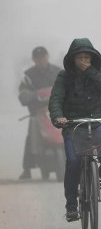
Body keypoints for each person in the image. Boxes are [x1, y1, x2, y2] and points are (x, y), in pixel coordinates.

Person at [48, 38, 101, 222]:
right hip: (72, 125)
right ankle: (71, 205)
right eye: (80, 58)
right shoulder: (64, 76)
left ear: (93, 59)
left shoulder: (99, 72)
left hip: (97, 121)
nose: (84, 61)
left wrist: (92, 72)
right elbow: (55, 99)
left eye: (88, 57)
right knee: (73, 161)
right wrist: (58, 117)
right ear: (73, 59)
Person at [18, 46, 61, 179]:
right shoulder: (28, 75)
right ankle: (27, 169)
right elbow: (23, 93)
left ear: (47, 56)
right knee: (32, 133)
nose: (40, 60)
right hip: (38, 112)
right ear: (33, 59)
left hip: (59, 110)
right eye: (37, 58)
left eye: (43, 57)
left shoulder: (58, 71)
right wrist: (32, 95)